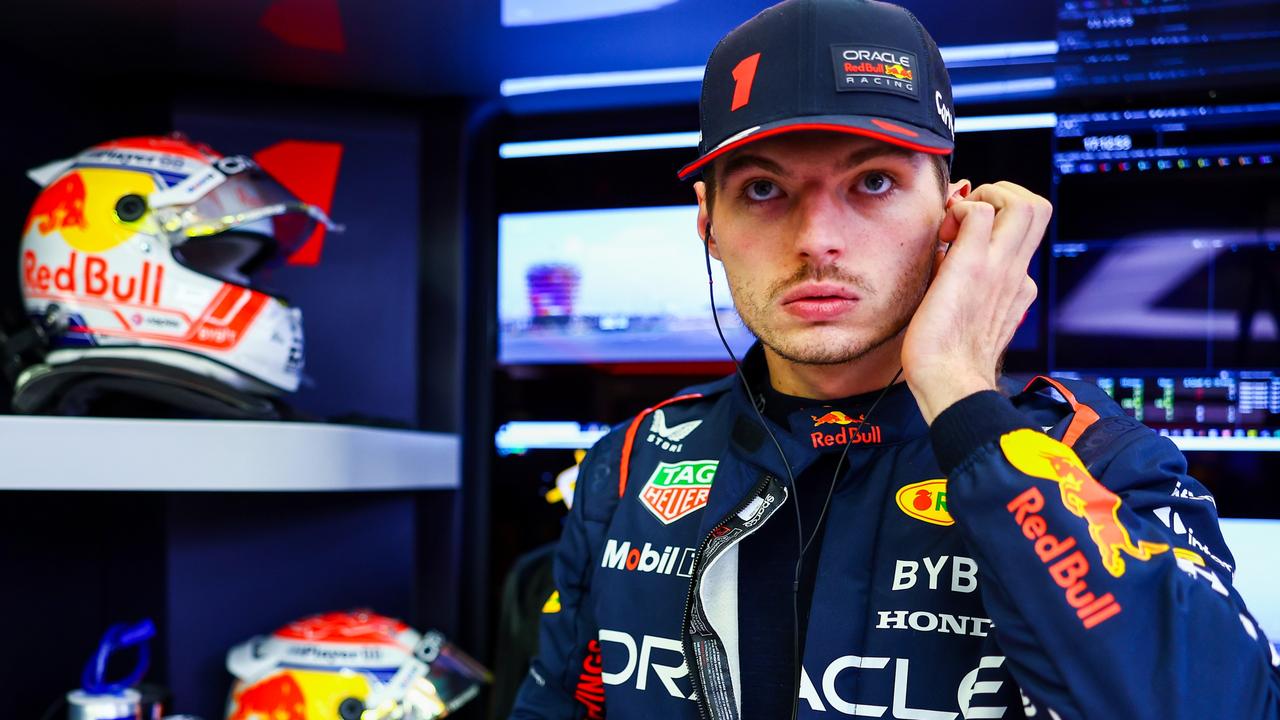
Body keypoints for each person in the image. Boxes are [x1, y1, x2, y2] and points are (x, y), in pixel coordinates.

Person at [508, 0, 1280, 718]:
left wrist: (961, 395)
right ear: (707, 223)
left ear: (956, 215)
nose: (817, 239)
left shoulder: (1094, 457)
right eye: (763, 190)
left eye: (873, 181)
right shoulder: (631, 462)